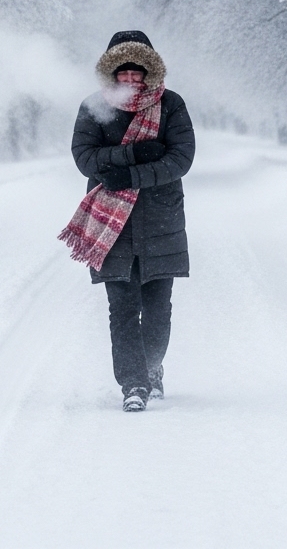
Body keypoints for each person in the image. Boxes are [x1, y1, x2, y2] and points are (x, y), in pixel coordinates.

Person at [59, 30, 195, 412]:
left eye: (138, 73)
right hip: (110, 225)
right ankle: (133, 385)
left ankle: (151, 368)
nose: (131, 79)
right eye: (124, 73)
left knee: (158, 310)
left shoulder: (171, 105)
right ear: (112, 73)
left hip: (160, 220)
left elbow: (180, 159)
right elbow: (84, 156)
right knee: (121, 309)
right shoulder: (93, 107)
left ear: (149, 72)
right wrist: (135, 155)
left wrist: (130, 174)